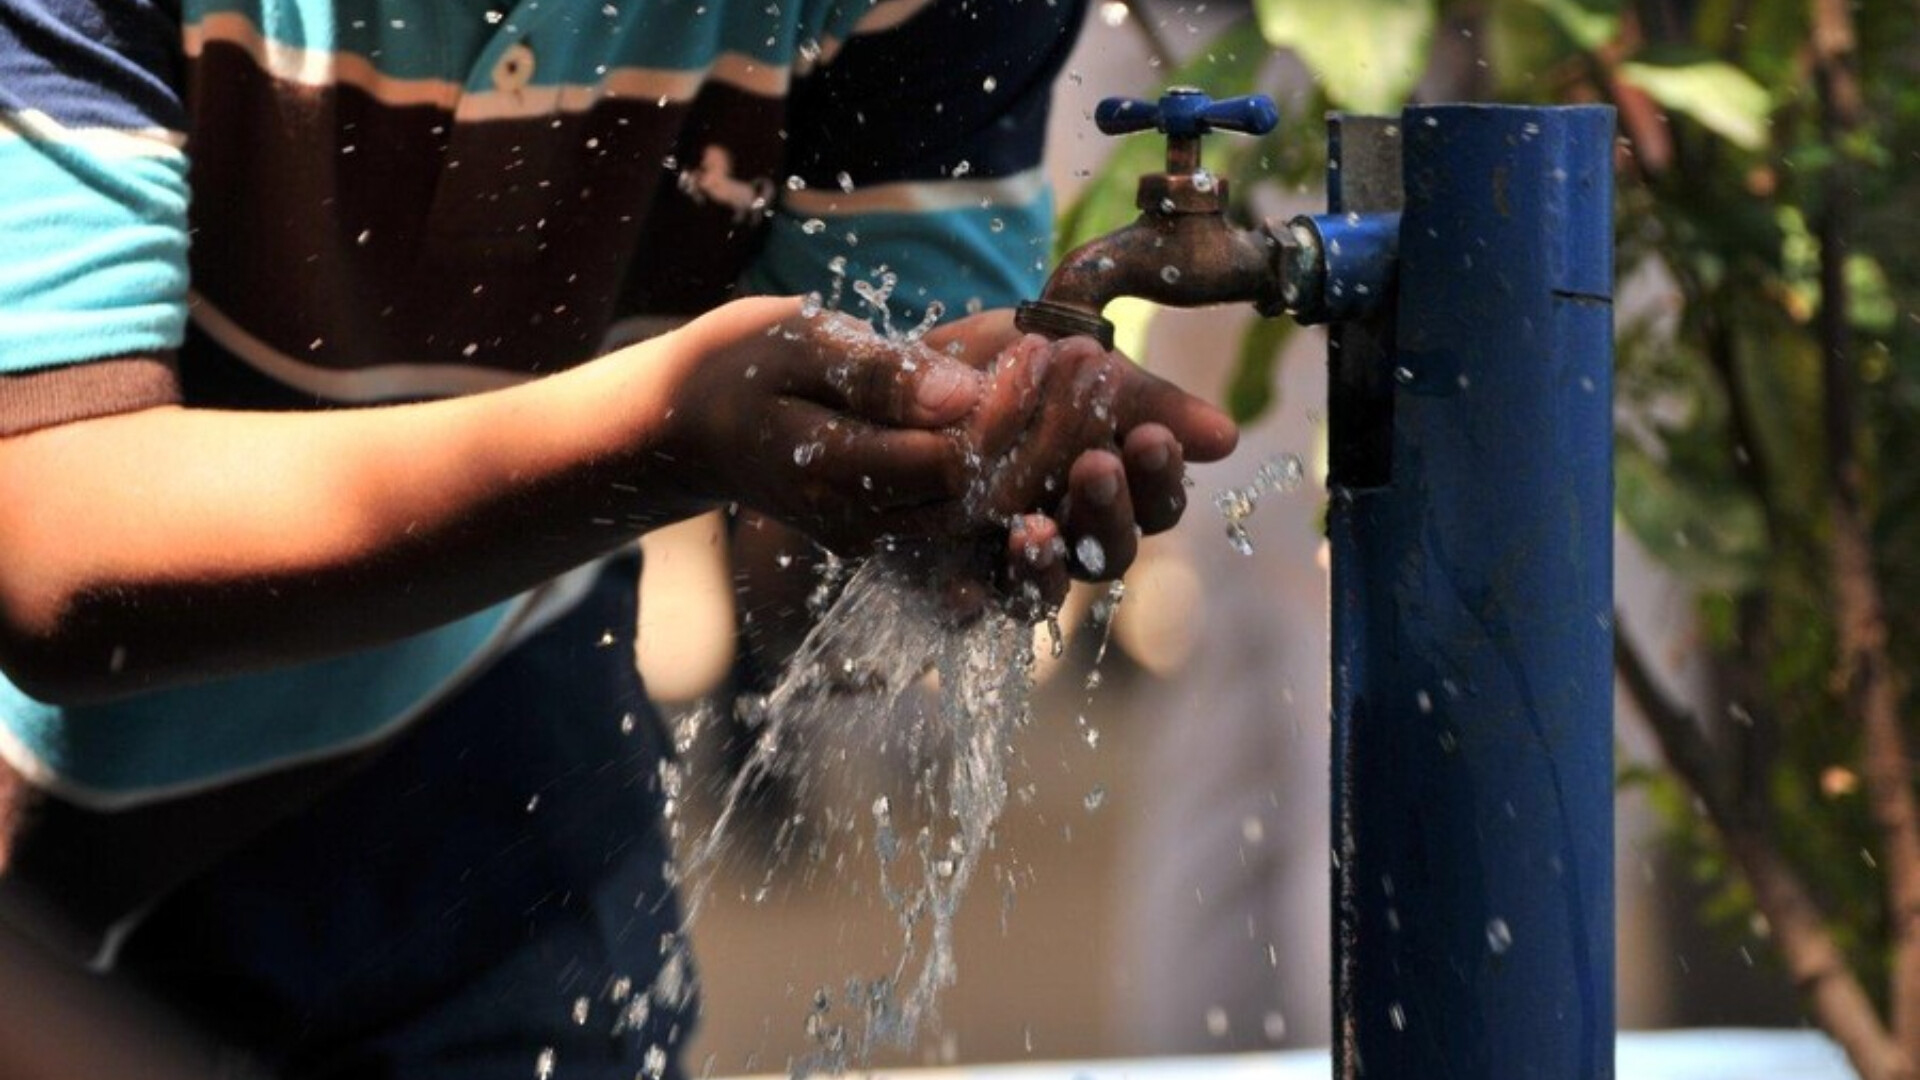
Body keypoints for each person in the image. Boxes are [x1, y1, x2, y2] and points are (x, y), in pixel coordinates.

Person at [0, 0, 1238, 1076]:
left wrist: (938, 488)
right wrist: (664, 431)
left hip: (494, 792)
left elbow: (806, 585)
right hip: (40, 865)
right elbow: (49, 536)